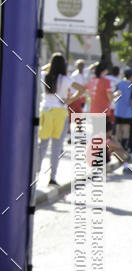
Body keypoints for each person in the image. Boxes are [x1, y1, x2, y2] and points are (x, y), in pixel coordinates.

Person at [38, 53, 85, 185]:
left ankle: (35, 173)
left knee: (42, 145)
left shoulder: (44, 76)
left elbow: (38, 70)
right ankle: (52, 177)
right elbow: (82, 89)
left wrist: (48, 66)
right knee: (56, 147)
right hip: (60, 112)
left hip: (46, 111)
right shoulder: (65, 79)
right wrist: (70, 99)